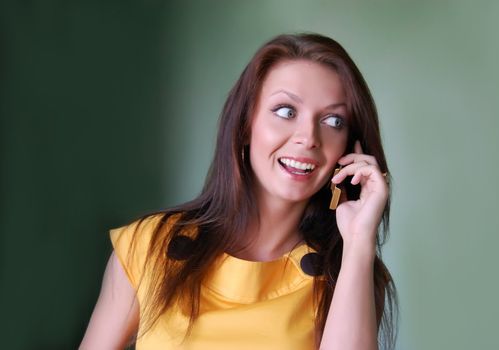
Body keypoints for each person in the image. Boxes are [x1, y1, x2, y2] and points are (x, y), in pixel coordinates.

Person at [80, 33, 397, 350]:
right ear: (246, 124)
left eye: (332, 120)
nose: (308, 137)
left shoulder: (346, 272)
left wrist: (357, 241)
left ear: (348, 148)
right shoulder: (149, 245)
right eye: (286, 111)